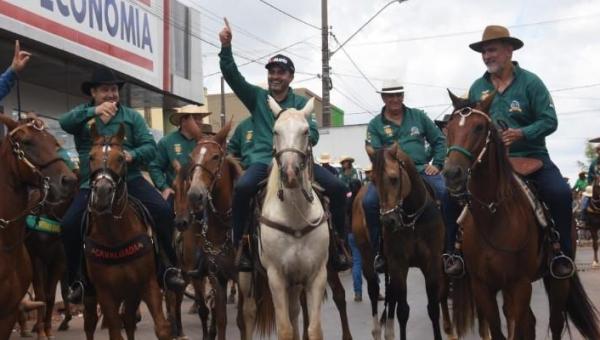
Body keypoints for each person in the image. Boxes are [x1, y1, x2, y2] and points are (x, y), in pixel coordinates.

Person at [219, 19, 350, 272]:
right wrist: (226, 48)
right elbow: (233, 77)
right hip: (263, 161)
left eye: (280, 72)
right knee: (244, 188)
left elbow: (311, 130)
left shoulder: (301, 103)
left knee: (337, 187)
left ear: (290, 76)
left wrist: (305, 138)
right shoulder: (257, 98)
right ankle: (241, 245)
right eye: (271, 72)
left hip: (300, 161)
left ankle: (339, 245)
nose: (275, 76)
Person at [58, 66, 185, 302]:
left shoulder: (132, 116)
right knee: (69, 225)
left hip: (131, 178)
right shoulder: (84, 114)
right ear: (93, 93)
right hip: (91, 183)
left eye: (114, 89)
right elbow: (64, 122)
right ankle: (77, 281)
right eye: (105, 90)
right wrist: (93, 111)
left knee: (163, 211)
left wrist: (132, 155)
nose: (111, 94)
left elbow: (149, 146)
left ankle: (168, 268)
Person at [467, 25, 574, 277]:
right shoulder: (476, 88)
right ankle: (455, 253)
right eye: (484, 51)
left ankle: (562, 256)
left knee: (560, 194)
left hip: (532, 158)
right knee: (452, 197)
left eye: (492, 50)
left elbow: (550, 121)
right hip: (492, 165)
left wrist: (522, 132)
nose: (487, 56)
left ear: (509, 50)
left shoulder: (531, 83)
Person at [363, 79, 460, 274]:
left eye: (399, 95)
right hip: (389, 175)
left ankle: (451, 249)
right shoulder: (375, 125)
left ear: (403, 96)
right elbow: (374, 152)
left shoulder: (419, 116)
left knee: (447, 194)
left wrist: (438, 164)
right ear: (383, 98)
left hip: (422, 170)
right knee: (369, 202)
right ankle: (379, 251)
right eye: (390, 96)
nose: (395, 99)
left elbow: (439, 140)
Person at [149, 105, 212, 209]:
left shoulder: (206, 142)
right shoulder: (167, 142)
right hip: (177, 193)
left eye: (201, 118)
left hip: (203, 192)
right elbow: (154, 167)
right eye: (195, 118)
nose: (200, 122)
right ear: (183, 121)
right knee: (164, 213)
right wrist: (164, 187)